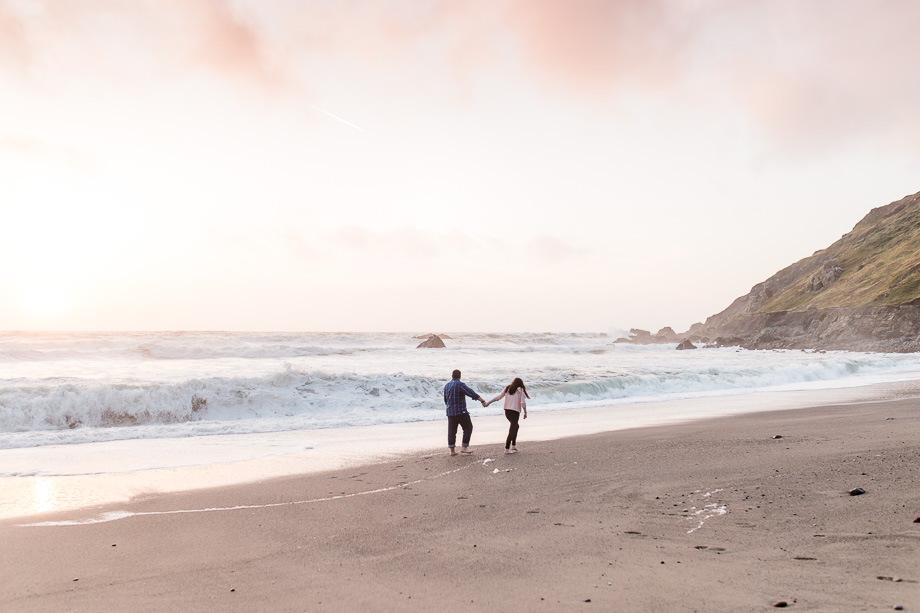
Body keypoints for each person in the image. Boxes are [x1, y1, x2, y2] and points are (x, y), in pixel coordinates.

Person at [443, 369, 486, 455]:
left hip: (450, 412)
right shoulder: (460, 384)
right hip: (460, 411)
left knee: (452, 431)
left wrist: (449, 407)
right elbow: (471, 393)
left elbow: (445, 399)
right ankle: (464, 447)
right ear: (460, 376)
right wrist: (482, 400)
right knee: (468, 427)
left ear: (452, 376)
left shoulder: (447, 386)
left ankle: (452, 451)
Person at [485, 377, 529, 454]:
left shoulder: (508, 388)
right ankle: (507, 448)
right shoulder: (520, 390)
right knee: (512, 428)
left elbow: (498, 397)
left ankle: (513, 445)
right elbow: (522, 402)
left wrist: (489, 402)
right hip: (515, 412)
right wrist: (525, 412)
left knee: (515, 426)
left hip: (507, 412)